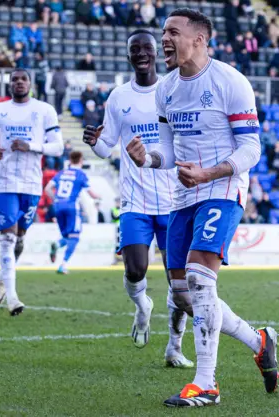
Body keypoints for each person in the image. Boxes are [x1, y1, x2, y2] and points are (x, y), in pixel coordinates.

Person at [125, 10, 279, 407]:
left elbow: (251, 148)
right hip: (184, 194)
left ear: (200, 39)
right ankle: (258, 340)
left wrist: (209, 173)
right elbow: (170, 150)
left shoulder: (230, 82)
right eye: (163, 33)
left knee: (198, 278)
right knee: (182, 295)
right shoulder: (166, 89)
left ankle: (206, 384)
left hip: (222, 187)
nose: (164, 39)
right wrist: (148, 159)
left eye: (172, 32)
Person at [82, 29, 193, 368]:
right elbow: (106, 147)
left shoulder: (174, 90)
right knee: (135, 269)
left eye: (147, 47)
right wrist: (94, 141)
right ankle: (143, 306)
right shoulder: (118, 97)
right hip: (135, 200)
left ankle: (174, 348)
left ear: (156, 53)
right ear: (129, 55)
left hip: (174, 198)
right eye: (135, 49)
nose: (141, 53)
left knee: (179, 281)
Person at [0, 68, 64, 316]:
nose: (19, 83)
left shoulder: (44, 110)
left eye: (23, 79)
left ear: (30, 83)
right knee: (7, 238)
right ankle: (13, 299)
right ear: (9, 85)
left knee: (18, 240)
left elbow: (58, 147)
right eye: (14, 79)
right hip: (5, 183)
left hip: (31, 185)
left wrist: (31, 146)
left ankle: (3, 277)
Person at [45, 151, 99, 274]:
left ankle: (57, 245)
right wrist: (99, 196)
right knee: (74, 237)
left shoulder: (61, 173)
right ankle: (63, 265)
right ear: (81, 160)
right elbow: (91, 193)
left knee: (66, 236)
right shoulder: (80, 175)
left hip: (58, 206)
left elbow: (47, 188)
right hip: (71, 207)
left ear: (70, 160)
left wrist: (56, 200)